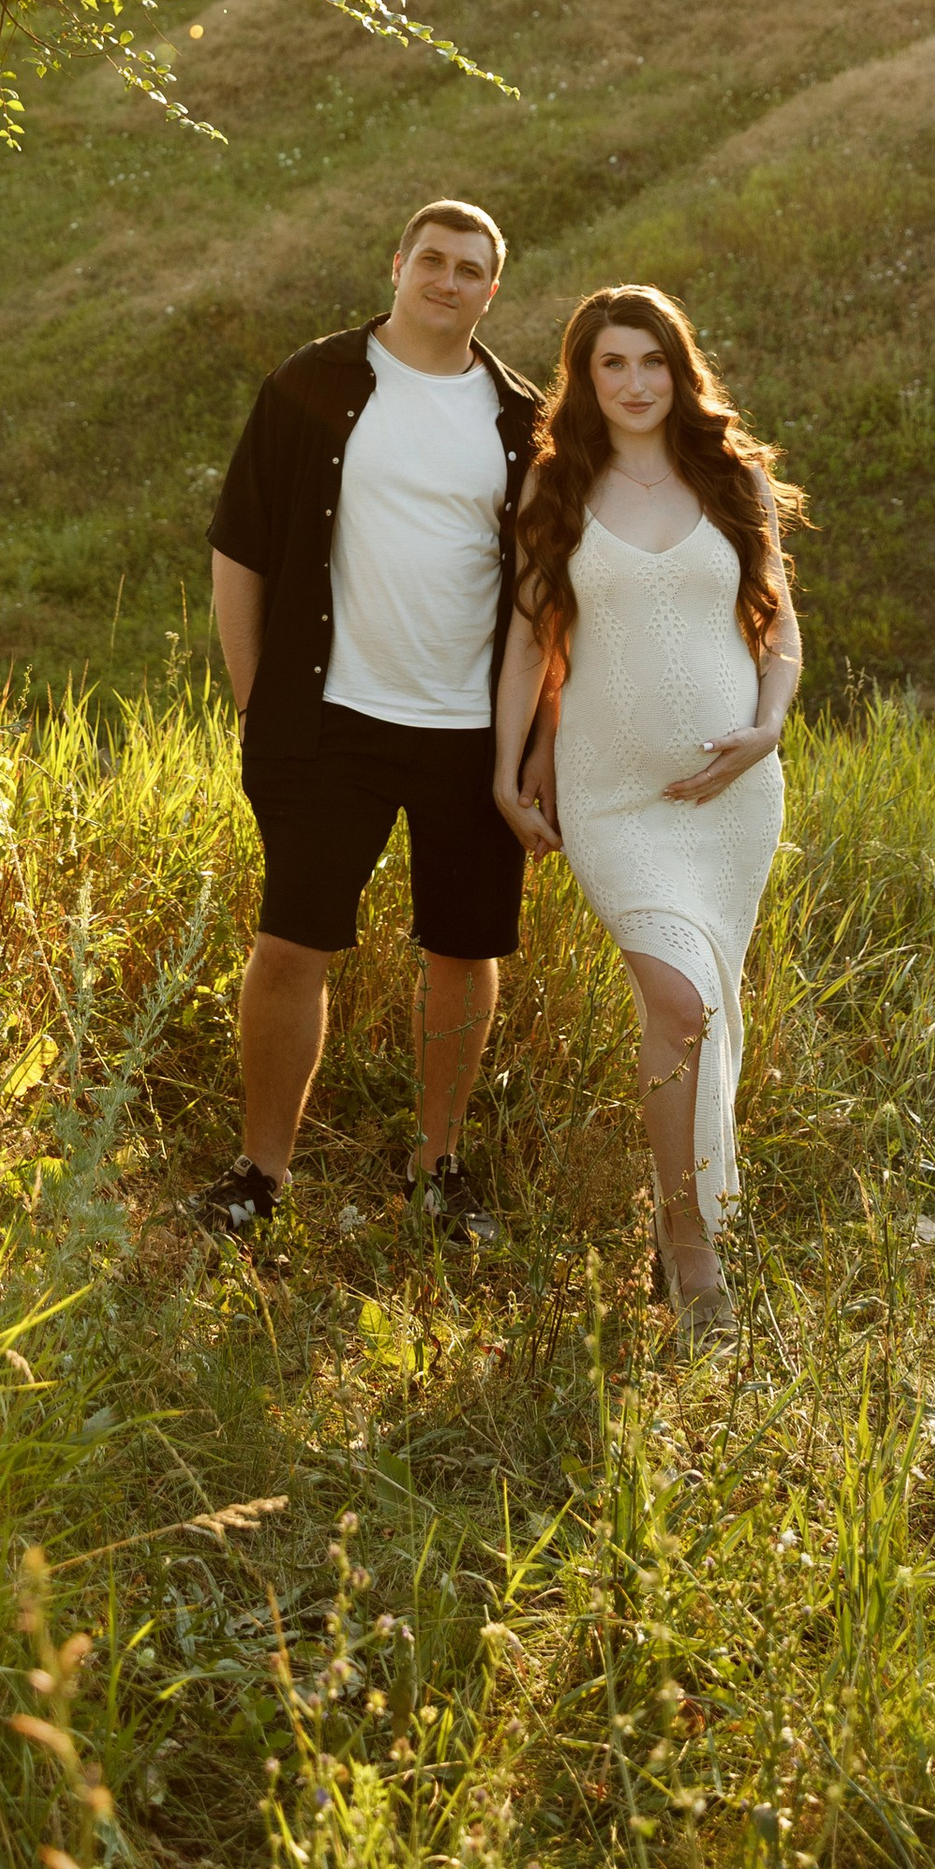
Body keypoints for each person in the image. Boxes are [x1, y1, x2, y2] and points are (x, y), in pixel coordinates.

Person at [189, 200, 542, 1252]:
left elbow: (542, 597)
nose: (446, 279)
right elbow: (239, 549)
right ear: (395, 266)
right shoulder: (315, 384)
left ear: (491, 290)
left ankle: (436, 1169)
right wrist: (259, 703)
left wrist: (534, 746)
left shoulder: (522, 421)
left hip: (469, 733)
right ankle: (260, 1173)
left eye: (469, 268)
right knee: (291, 944)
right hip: (329, 722)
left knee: (462, 950)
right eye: (430, 259)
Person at [493, 286, 803, 1341]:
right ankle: (685, 1244)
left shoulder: (733, 478)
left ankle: (692, 1216)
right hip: (614, 796)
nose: (632, 384)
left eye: (651, 363)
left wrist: (767, 728)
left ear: (680, 371)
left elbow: (780, 632)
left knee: (703, 1004)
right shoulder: (557, 484)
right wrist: (508, 771)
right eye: (610, 365)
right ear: (583, 379)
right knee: (677, 1004)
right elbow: (534, 646)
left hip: (731, 800)